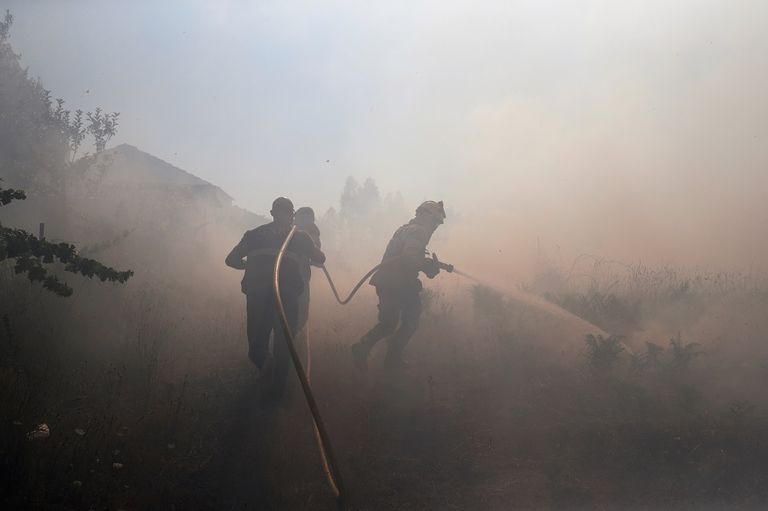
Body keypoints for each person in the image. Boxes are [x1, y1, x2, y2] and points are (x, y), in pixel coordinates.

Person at [225, 197, 326, 401]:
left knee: (256, 343)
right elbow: (321, 259)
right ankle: (277, 392)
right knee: (285, 343)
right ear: (292, 215)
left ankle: (265, 365)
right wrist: (308, 245)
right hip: (286, 294)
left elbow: (231, 260)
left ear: (272, 213)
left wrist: (249, 267)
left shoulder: (254, 234)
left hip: (258, 293)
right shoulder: (299, 237)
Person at [351, 200, 447, 371]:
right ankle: (392, 359)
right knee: (411, 320)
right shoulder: (418, 231)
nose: (435, 227)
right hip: (399, 284)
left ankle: (363, 347)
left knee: (388, 323)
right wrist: (427, 266)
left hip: (389, 282)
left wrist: (427, 264)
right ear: (425, 216)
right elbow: (410, 258)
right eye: (434, 222)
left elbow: (409, 256)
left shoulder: (405, 229)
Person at [294, 207, 322, 336]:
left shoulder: (312, 231)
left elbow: (316, 254)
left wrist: (315, 260)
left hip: (299, 275)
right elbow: (318, 256)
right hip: (296, 277)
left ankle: (292, 334)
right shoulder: (292, 231)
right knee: (300, 308)